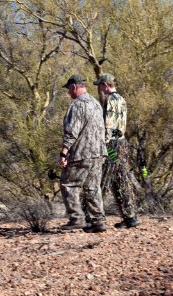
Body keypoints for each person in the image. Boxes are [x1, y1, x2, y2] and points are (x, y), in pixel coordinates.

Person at [59, 74, 108, 233]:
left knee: (68, 183)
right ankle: (98, 221)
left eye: (69, 89)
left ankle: (76, 218)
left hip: (82, 153)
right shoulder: (96, 103)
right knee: (93, 187)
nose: (68, 93)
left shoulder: (77, 105)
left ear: (74, 87)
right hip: (99, 153)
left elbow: (72, 132)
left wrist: (64, 153)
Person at [94, 73, 139, 228]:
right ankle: (130, 217)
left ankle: (94, 218)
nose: (99, 88)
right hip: (122, 143)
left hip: (112, 145)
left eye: (100, 85)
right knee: (121, 179)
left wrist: (104, 144)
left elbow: (109, 125)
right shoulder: (121, 99)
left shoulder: (111, 101)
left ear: (106, 84)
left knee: (103, 179)